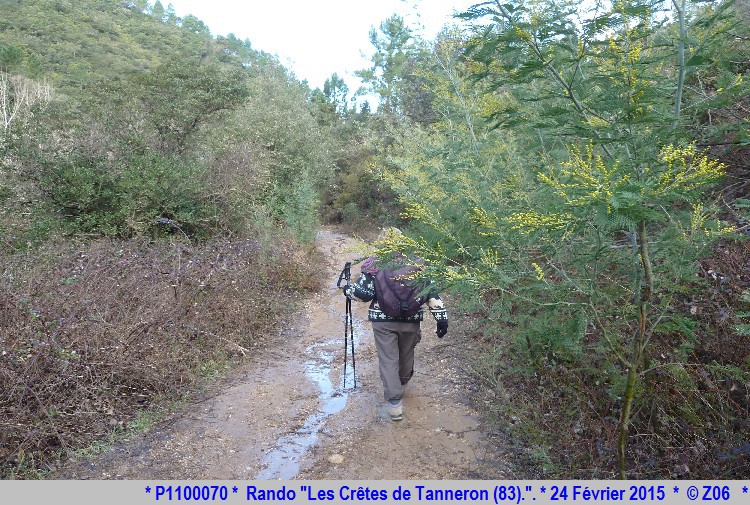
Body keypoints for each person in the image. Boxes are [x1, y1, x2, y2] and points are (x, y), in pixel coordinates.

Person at [343, 254, 448, 421]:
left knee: (388, 359)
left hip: (382, 322)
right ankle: (402, 383)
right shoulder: (419, 265)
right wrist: (442, 320)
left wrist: (347, 291)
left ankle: (395, 405)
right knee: (406, 353)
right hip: (411, 321)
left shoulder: (375, 264)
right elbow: (432, 295)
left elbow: (363, 294)